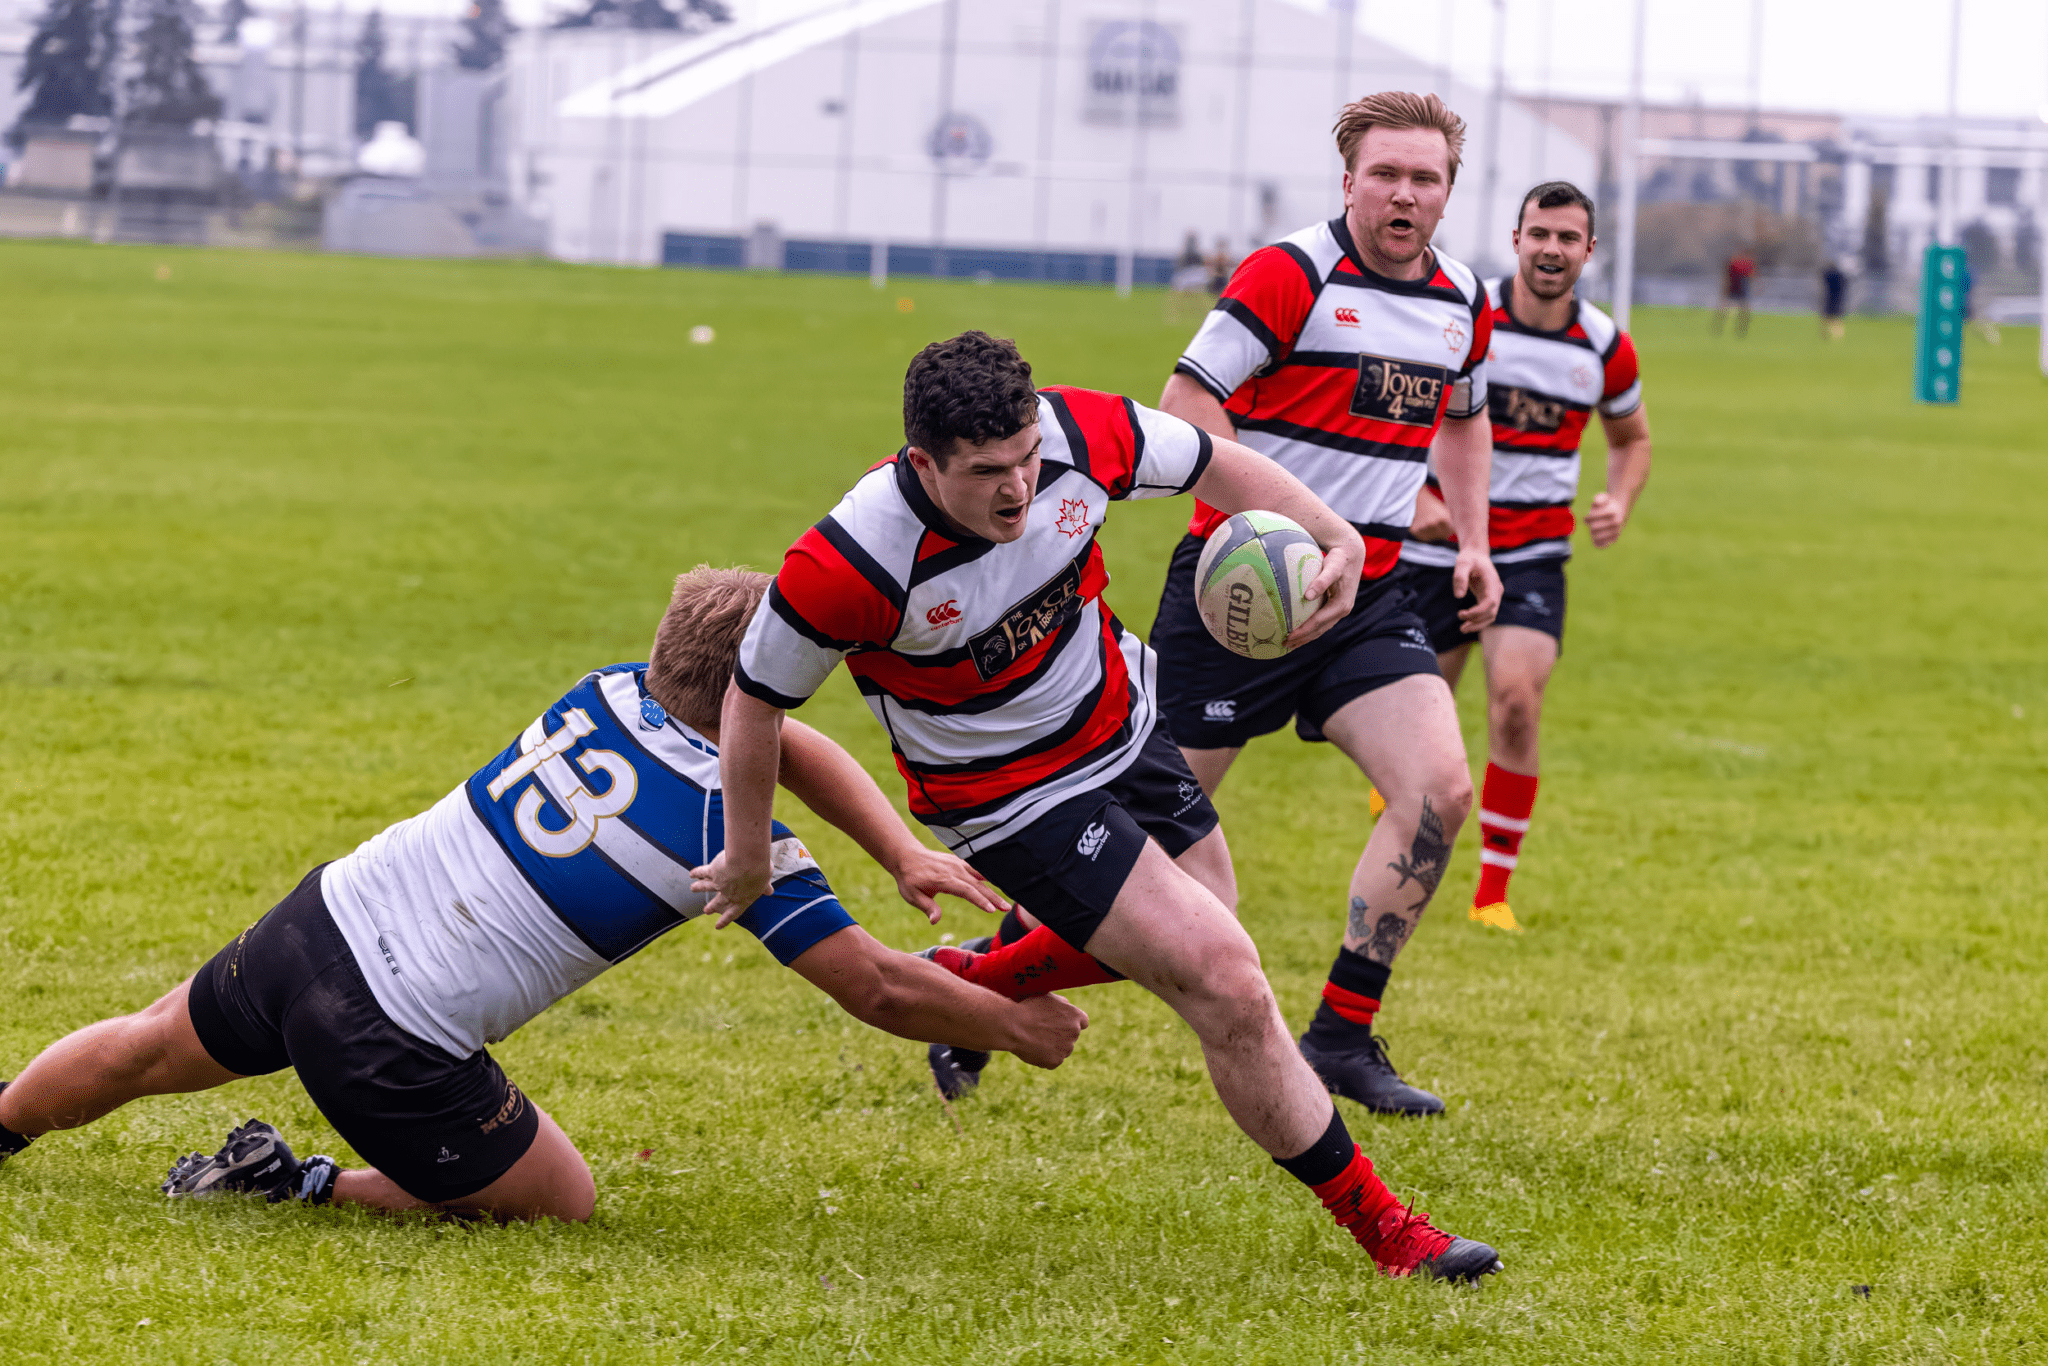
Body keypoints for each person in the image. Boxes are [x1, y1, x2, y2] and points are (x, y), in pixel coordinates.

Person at [704, 330, 1502, 1281]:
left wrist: (1336, 534)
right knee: (1227, 979)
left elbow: (1217, 460)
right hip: (1005, 793)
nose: (1018, 488)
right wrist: (749, 859)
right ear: (923, 463)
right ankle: (1392, 1235)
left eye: (1028, 459)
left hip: (1122, 722)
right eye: (988, 471)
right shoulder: (852, 562)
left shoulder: (1080, 433)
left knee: (1211, 919)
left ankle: (976, 976)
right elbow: (753, 701)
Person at [0, 568, 1086, 1222]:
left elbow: (774, 739)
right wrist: (1013, 1025)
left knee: (147, 1044)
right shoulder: (716, 824)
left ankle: (3, 1125)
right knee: (560, 1201)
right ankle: (293, 1181)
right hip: (391, 1036)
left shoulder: (610, 689)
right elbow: (880, 989)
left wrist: (896, 850)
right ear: (760, 682)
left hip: (320, 916)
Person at [1127, 90, 1502, 1119]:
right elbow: (1186, 407)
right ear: (1348, 182)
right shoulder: (1288, 273)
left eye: (1423, 179)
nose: (1403, 193)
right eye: (1384, 174)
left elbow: (1461, 421)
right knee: (1135, 842)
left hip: (1370, 597)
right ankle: (983, 981)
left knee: (1434, 793)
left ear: (1445, 194)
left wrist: (1470, 539)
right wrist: (1279, 532)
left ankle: (1339, 1035)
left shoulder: (1463, 297)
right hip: (1238, 594)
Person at [1400, 181, 1652, 930]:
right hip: (1432, 549)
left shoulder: (1602, 344)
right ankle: (1398, 785)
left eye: (1567, 238)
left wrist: (1620, 500)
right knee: (1419, 716)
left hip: (1532, 552)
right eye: (1539, 234)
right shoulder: (1463, 312)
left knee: (1516, 702)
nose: (1551, 249)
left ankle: (1491, 894)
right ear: (1516, 239)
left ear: (1588, 251)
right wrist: (1416, 498)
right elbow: (1401, 403)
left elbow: (1631, 438)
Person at [1714, 247, 1755, 337]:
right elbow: (1727, 277)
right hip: (1735, 287)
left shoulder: (1739, 262)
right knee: (1733, 309)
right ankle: (1721, 327)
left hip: (1739, 288)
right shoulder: (1737, 263)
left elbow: (1750, 276)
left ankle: (1739, 329)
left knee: (1743, 310)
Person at [1820, 260, 1849, 341]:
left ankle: (1828, 334)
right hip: (1839, 298)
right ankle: (1836, 335)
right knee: (1836, 317)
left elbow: (1824, 276)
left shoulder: (1830, 275)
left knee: (1829, 317)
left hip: (1830, 297)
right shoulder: (1841, 276)